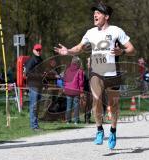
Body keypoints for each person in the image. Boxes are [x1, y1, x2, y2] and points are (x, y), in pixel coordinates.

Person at [54, 2, 135, 149]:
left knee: (113, 106)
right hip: (96, 73)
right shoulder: (90, 32)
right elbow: (79, 47)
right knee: (96, 100)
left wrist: (122, 52)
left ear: (106, 16)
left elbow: (131, 49)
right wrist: (68, 51)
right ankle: (99, 130)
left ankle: (113, 130)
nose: (95, 15)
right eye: (94, 13)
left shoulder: (116, 31)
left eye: (98, 13)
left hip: (113, 73)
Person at [25, 44, 44, 131]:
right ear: (33, 50)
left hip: (39, 85)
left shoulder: (41, 60)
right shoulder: (31, 60)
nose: (38, 51)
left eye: (40, 50)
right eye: (37, 50)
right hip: (33, 85)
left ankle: (36, 125)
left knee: (37, 105)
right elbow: (27, 73)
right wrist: (39, 75)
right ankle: (33, 126)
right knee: (34, 105)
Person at [63, 56, 84, 124]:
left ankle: (68, 121)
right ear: (78, 62)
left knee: (68, 106)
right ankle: (76, 120)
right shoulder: (79, 71)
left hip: (68, 90)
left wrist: (64, 87)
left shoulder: (67, 70)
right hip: (76, 90)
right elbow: (81, 82)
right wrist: (81, 91)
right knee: (76, 106)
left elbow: (65, 80)